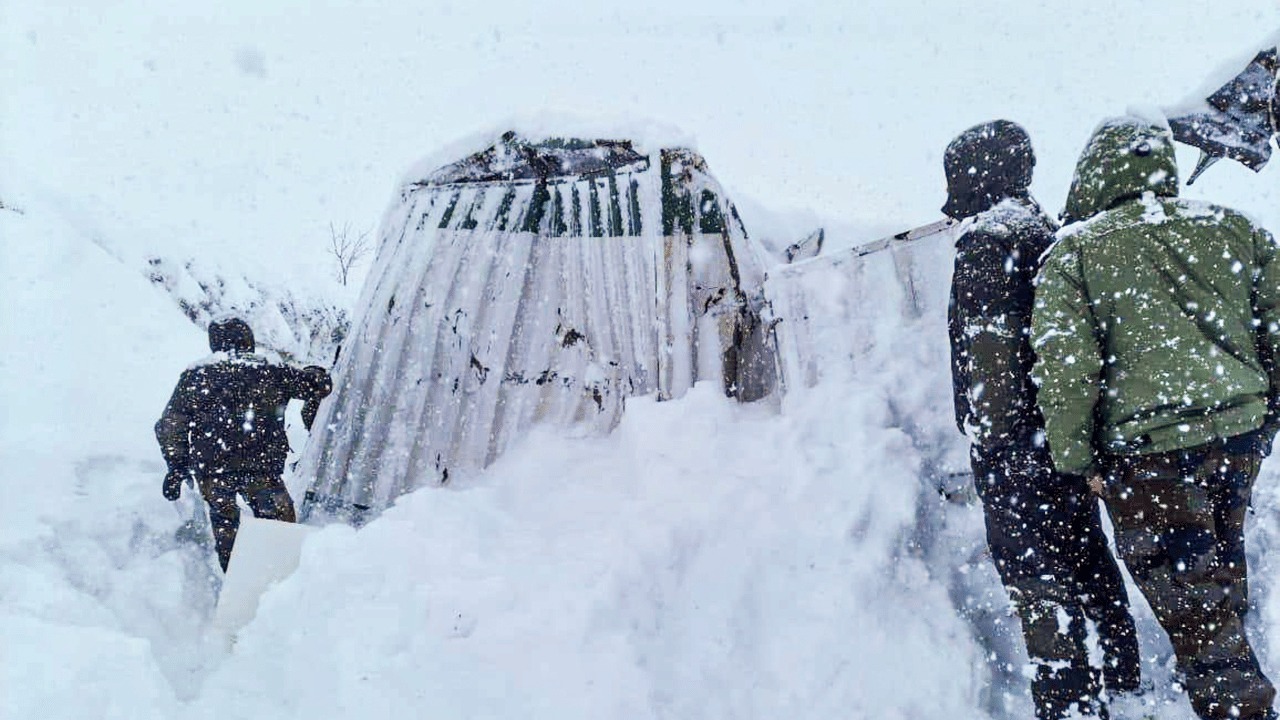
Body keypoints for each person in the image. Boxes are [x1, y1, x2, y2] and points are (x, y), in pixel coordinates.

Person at [1033, 115, 1280, 720]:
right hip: (1238, 436)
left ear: (1094, 173)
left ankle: (1241, 708)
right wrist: (1265, 416)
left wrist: (1077, 457)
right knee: (1216, 572)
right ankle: (1230, 682)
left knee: (1191, 600)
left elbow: (1067, 369)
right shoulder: (1235, 228)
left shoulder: (1077, 252)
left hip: (1147, 455)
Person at [945, 119, 1142, 719]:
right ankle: (1124, 682)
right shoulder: (1051, 233)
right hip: (1066, 438)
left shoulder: (987, 242)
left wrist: (992, 444)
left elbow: (989, 364)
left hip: (1017, 451)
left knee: (1039, 589)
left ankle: (1070, 706)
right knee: (1089, 564)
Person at [155, 316, 332, 571]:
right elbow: (318, 387)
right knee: (280, 531)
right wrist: (315, 373)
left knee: (228, 533)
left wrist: (176, 466)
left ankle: (236, 588)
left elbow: (171, 424)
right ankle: (281, 583)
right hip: (262, 470)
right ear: (248, 339)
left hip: (213, 472)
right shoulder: (272, 370)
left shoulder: (196, 375)